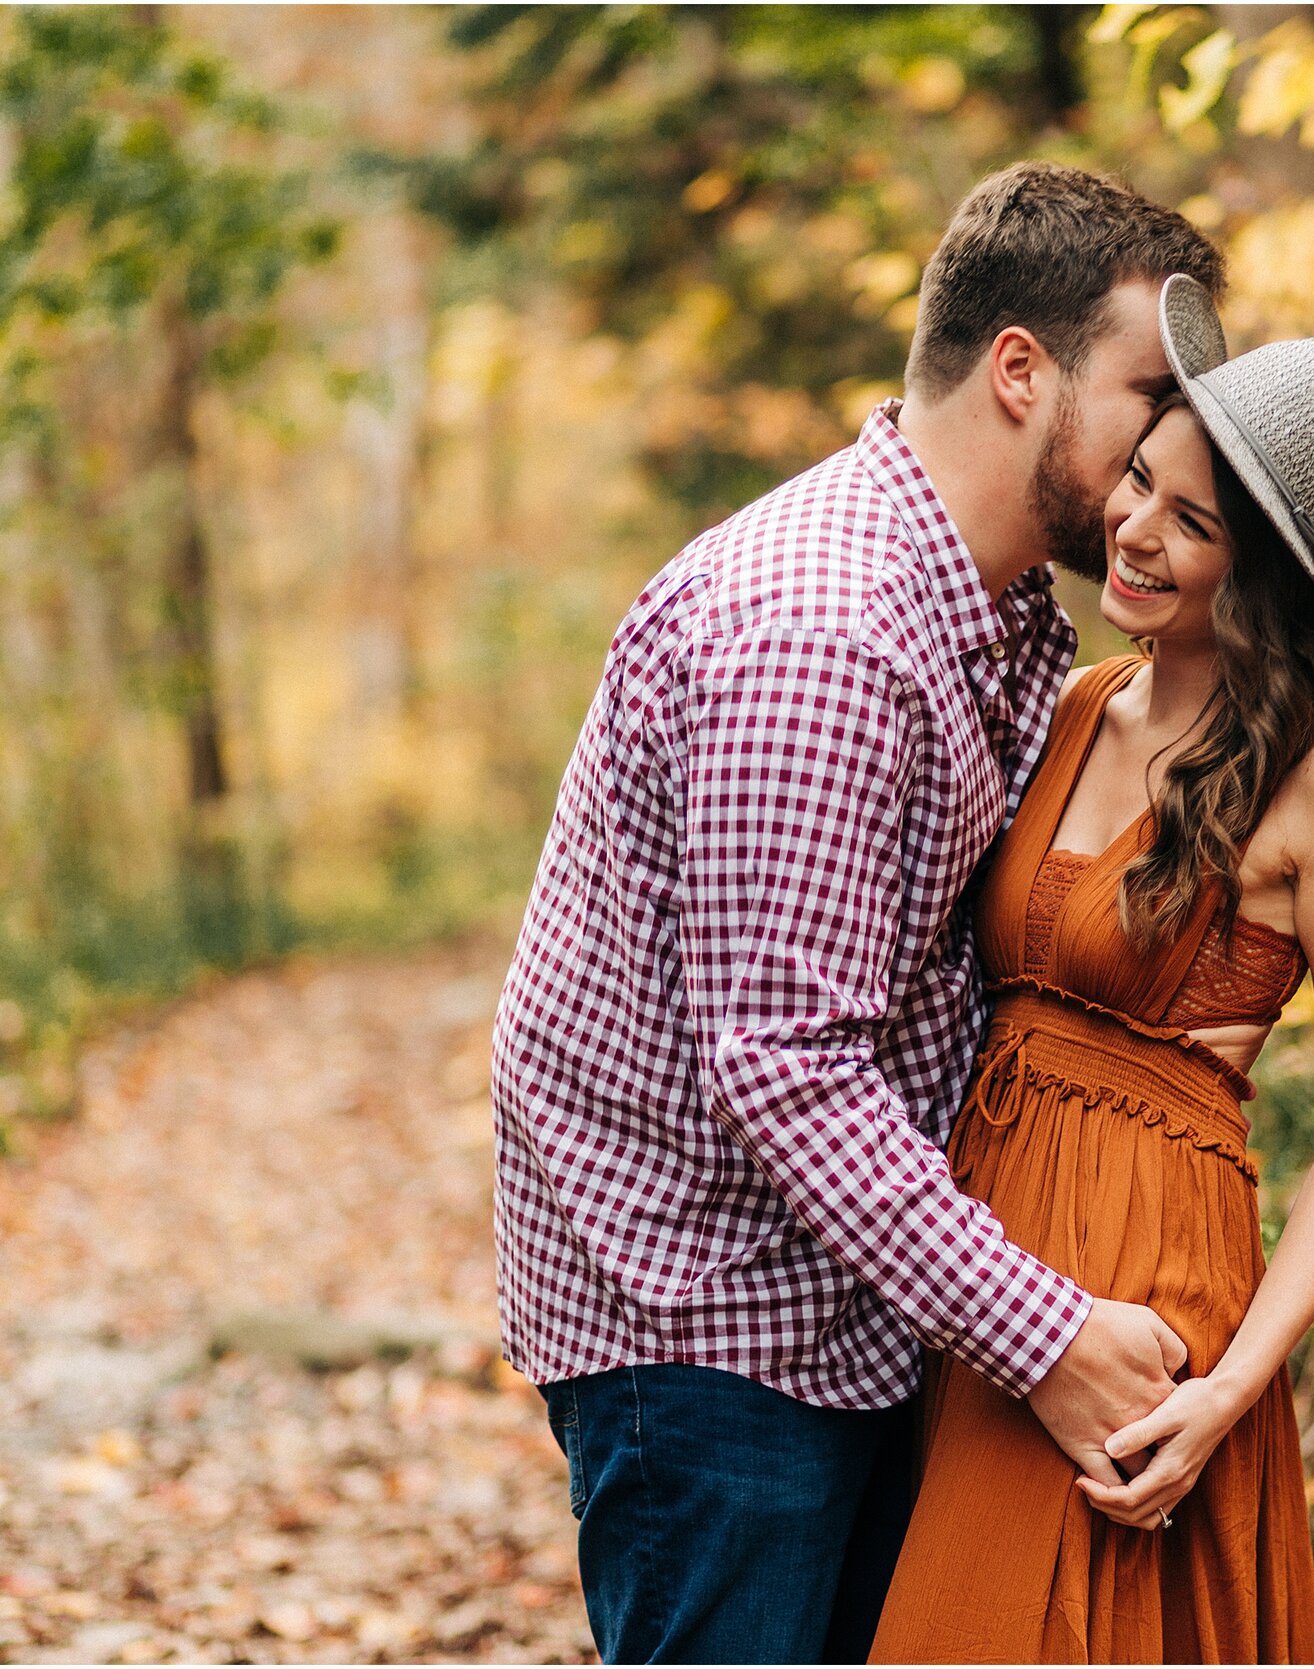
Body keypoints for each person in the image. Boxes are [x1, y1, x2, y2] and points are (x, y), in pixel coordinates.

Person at [489, 165, 1227, 1664]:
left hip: (858, 1301)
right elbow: (787, 1061)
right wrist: (1047, 1333)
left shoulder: (1004, 611)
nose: (1168, 441)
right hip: (708, 1317)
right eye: (1150, 389)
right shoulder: (824, 630)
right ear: (1020, 370)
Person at [868, 276, 1314, 1663]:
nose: (1133, 527)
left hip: (1148, 1298)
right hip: (990, 1272)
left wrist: (1235, 1385)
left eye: (1194, 522)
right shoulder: (1077, 701)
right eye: (1140, 481)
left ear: (1270, 577)